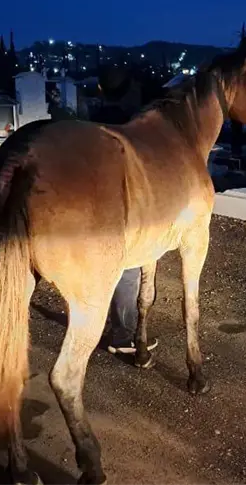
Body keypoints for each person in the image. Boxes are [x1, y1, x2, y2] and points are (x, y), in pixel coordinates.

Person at [89, 65, 158, 355]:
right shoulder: (132, 127)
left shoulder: (91, 123)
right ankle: (122, 336)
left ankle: (95, 325)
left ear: (101, 91)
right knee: (128, 271)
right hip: (122, 206)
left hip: (93, 205)